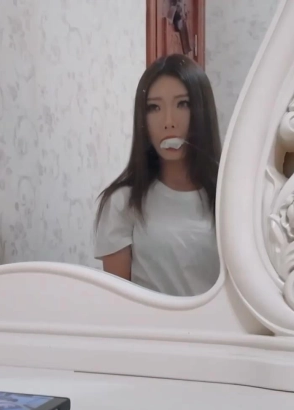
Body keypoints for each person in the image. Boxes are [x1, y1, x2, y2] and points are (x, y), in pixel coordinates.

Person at [94, 54, 221, 297]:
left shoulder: (231, 199)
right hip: (145, 322)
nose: (168, 122)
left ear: (202, 112)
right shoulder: (122, 202)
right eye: (154, 108)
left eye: (183, 104)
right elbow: (117, 303)